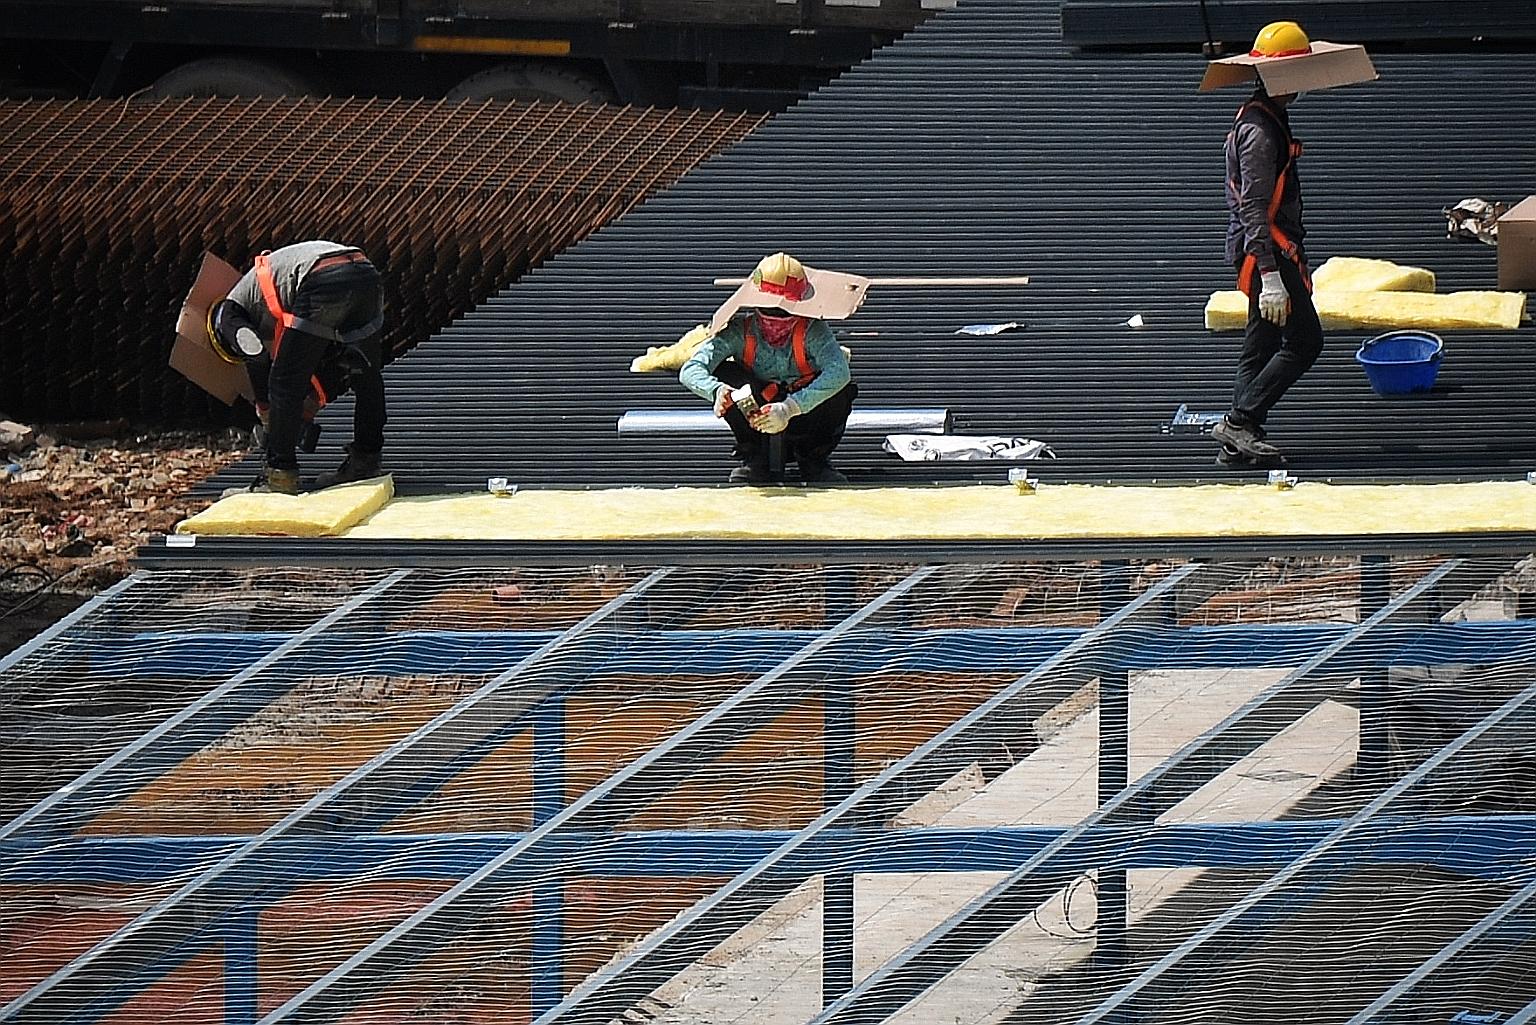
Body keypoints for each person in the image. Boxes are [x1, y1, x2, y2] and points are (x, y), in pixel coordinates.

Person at [1203, 20, 1375, 469]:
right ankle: (1241, 419)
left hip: (1264, 250)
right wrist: (1271, 275)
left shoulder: (1270, 115)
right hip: (1266, 251)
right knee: (1305, 340)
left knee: (1260, 346)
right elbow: (1253, 208)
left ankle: (1236, 445)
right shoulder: (1260, 132)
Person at [207, 241, 386, 493]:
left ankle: (279, 478)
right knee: (365, 374)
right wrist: (296, 409)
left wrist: (267, 411)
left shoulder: (228, 313)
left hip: (323, 278)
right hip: (364, 273)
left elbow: (254, 353)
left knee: (284, 383)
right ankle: (366, 460)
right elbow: (315, 362)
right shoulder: (268, 292)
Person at [679, 252, 869, 485]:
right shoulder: (740, 332)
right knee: (726, 374)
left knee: (840, 390)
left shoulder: (814, 331)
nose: (776, 320)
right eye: (769, 311)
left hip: (807, 418)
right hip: (755, 418)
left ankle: (814, 461)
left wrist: (789, 408)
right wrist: (717, 391)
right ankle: (756, 460)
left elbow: (839, 372)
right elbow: (692, 368)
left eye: (785, 312)